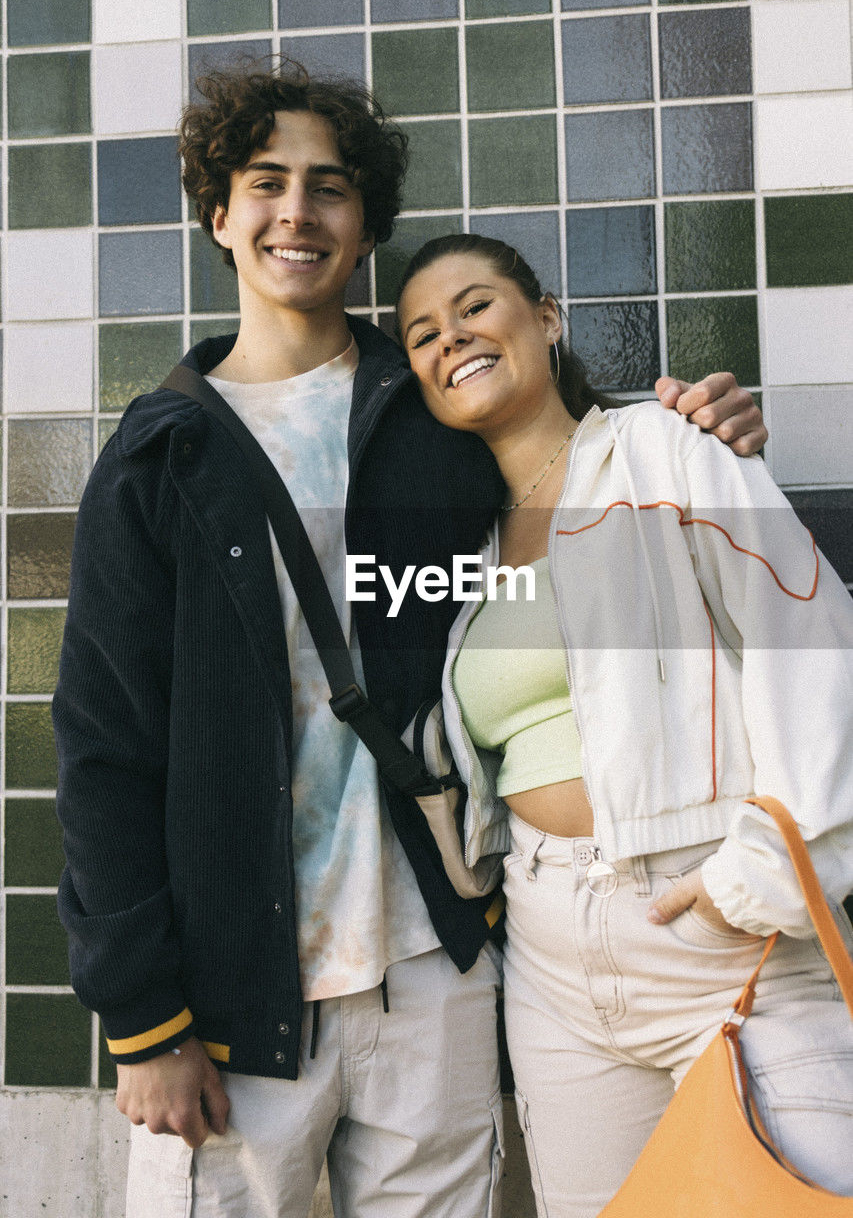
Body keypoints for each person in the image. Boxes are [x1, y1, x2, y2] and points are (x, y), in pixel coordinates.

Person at [53, 63, 768, 1218]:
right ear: (219, 213)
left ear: (365, 222)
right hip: (233, 999)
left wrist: (697, 429)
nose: (299, 211)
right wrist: (140, 1018)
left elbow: (577, 462)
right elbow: (101, 744)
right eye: (267, 183)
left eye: (329, 187)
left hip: (433, 976)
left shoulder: (432, 409)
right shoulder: (159, 457)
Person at [396, 231, 853, 1218]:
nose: (450, 338)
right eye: (423, 333)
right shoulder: (468, 548)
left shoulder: (665, 446)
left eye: (474, 306)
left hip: (719, 932)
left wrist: (757, 872)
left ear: (546, 318)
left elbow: (813, 644)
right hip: (551, 960)